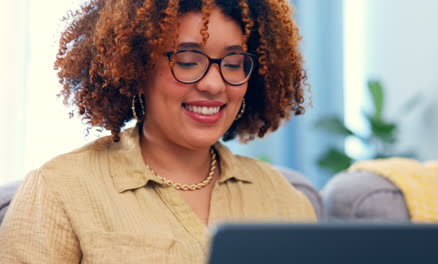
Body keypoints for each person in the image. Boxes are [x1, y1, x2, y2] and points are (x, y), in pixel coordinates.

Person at [0, 0, 316, 262]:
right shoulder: (59, 189)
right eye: (189, 60)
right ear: (136, 68)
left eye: (233, 64)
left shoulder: (286, 200)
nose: (213, 84)